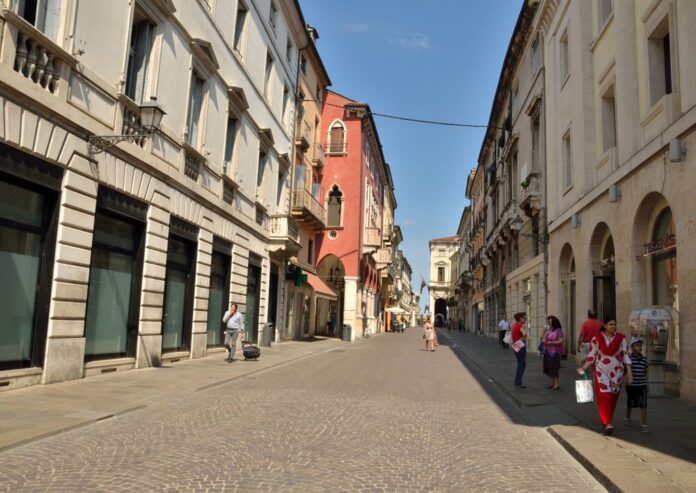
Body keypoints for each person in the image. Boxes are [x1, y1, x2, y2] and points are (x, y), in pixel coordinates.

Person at [578, 318, 633, 435]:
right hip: (601, 371)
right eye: (611, 324)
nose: (614, 326)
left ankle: (607, 420)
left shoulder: (621, 338)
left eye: (615, 324)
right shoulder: (596, 339)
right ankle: (607, 422)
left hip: (617, 373)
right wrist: (585, 367)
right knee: (604, 396)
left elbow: (625, 356)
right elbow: (592, 355)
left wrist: (629, 373)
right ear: (605, 325)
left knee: (613, 397)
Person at [625, 337, 649, 433]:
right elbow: (627, 372)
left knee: (643, 404)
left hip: (642, 385)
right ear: (632, 347)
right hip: (632, 385)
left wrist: (644, 380)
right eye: (637, 345)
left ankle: (644, 424)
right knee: (630, 403)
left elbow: (645, 371)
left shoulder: (644, 359)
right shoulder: (629, 359)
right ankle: (627, 418)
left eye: (640, 345)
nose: (639, 347)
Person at [542, 316, 565, 390]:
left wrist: (551, 342)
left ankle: (556, 384)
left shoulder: (558, 330)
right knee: (548, 368)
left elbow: (561, 340)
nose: (549, 322)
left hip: (554, 352)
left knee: (554, 368)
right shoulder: (549, 329)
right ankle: (552, 383)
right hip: (547, 351)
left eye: (550, 321)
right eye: (548, 321)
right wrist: (544, 340)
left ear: (554, 322)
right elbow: (543, 338)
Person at [511, 312, 527, 388]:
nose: (525, 319)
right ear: (520, 318)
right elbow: (525, 333)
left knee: (521, 364)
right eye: (524, 318)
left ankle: (518, 382)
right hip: (520, 345)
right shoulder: (520, 325)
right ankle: (518, 382)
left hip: (516, 346)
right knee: (521, 364)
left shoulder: (514, 325)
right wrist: (523, 338)